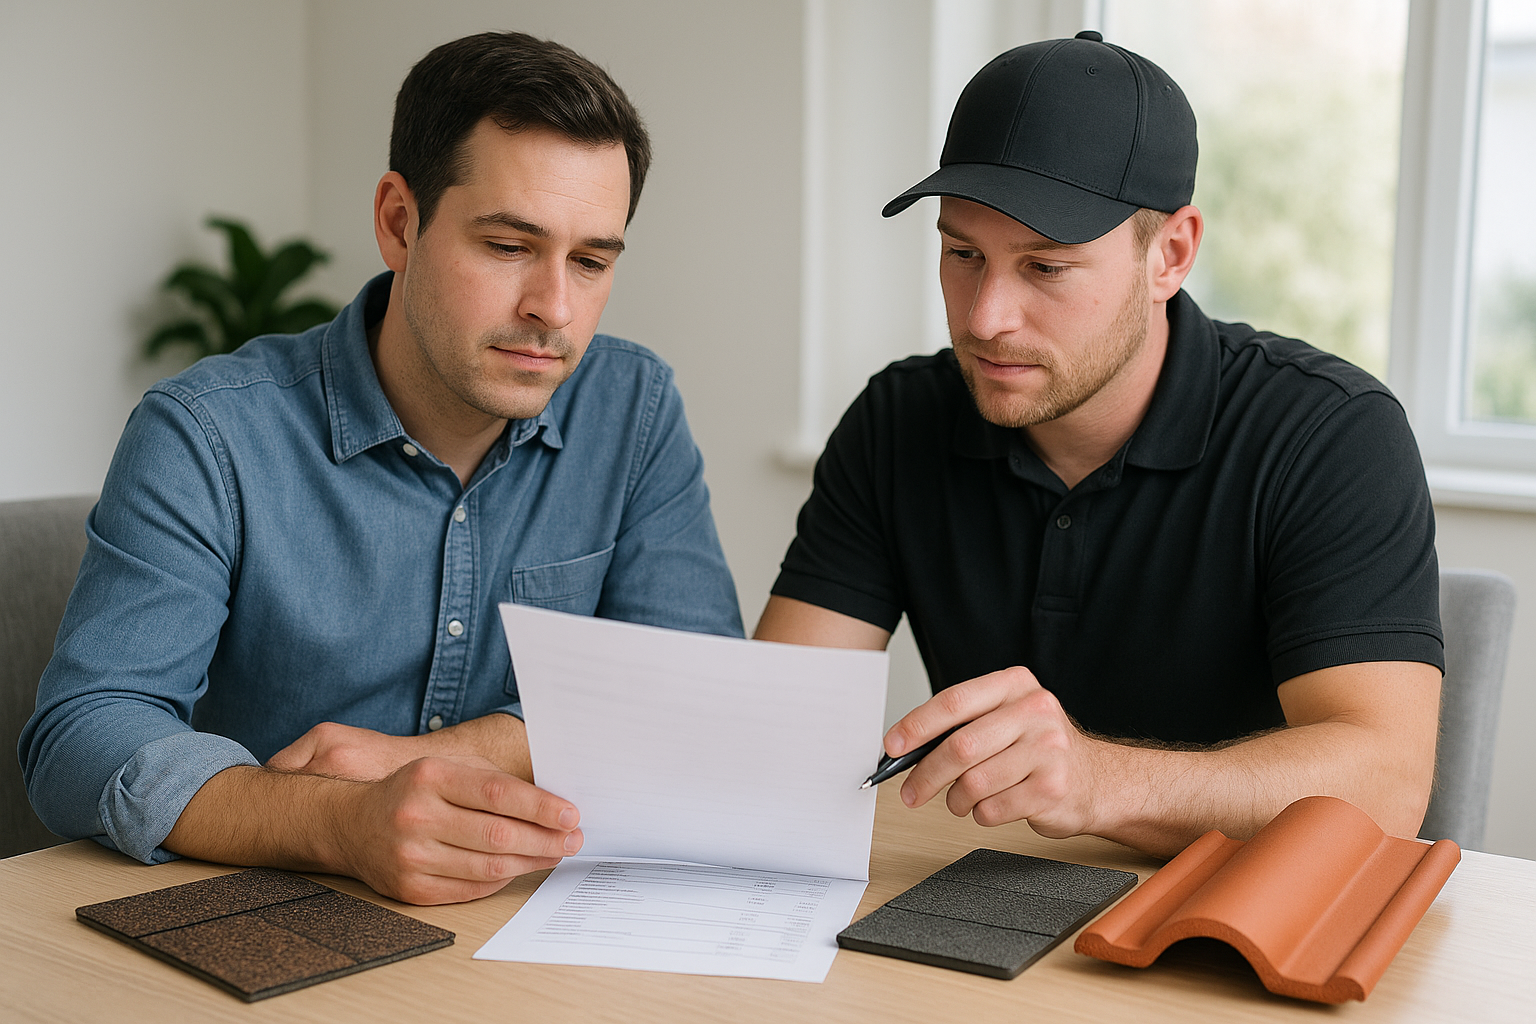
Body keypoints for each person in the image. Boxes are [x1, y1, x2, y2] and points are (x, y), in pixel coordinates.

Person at [21, 32, 742, 904]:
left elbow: (701, 696)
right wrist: (334, 823)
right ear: (399, 222)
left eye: (590, 261)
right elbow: (83, 734)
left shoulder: (634, 409)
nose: (553, 307)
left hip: (523, 917)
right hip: (269, 911)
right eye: (510, 246)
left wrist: (442, 758)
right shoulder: (207, 434)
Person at [754, 32, 1442, 859]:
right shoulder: (899, 418)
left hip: (1229, 929)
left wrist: (1098, 779)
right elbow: (776, 726)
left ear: (1170, 256)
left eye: (1045, 267)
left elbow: (1387, 782)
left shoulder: (1331, 433)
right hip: (984, 903)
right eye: (962, 253)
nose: (984, 318)